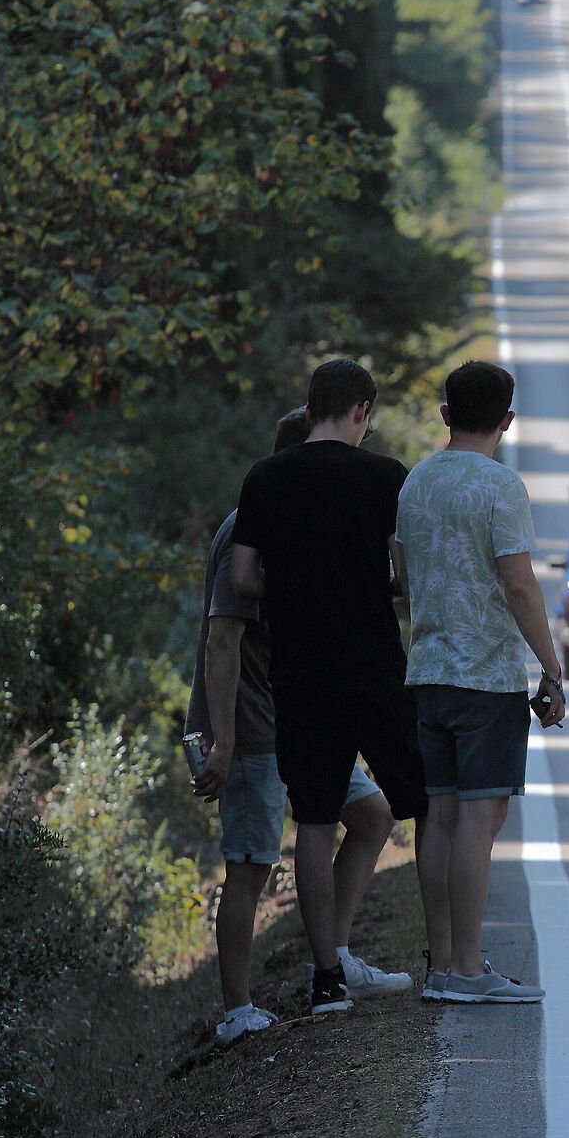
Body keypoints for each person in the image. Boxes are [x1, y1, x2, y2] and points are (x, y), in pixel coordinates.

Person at [191, 408, 412, 1044]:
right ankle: (236, 1009)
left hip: (302, 715)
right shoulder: (247, 532)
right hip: (256, 725)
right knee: (251, 866)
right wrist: (222, 738)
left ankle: (334, 956)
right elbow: (222, 641)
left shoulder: (289, 523)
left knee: (372, 817)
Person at [230, 361, 429, 1018]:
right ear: (361, 411)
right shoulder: (385, 476)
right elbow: (403, 577)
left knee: (313, 820)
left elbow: (244, 578)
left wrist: (292, 586)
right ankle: (447, 955)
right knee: (425, 802)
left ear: (309, 407)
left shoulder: (265, 478)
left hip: (299, 673)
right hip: (372, 664)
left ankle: (326, 980)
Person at [397, 361, 567, 1004]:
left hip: (427, 669)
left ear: (444, 414)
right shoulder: (500, 486)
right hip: (485, 675)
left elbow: (405, 579)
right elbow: (518, 582)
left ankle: (442, 964)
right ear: (508, 420)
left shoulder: (415, 484)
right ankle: (469, 968)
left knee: (439, 814)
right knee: (481, 815)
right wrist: (550, 668)